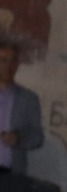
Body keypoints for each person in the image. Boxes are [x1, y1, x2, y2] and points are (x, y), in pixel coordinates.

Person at [0, 40, 43, 175]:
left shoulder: (29, 98)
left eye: (13, 61)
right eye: (3, 60)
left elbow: (37, 137)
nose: (8, 66)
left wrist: (18, 138)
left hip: (11, 174)